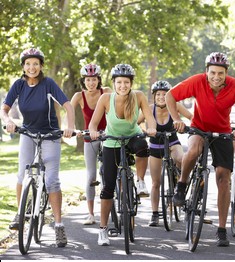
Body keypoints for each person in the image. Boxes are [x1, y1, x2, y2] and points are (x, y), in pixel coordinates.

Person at [165, 52, 235, 247]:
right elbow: (170, 95)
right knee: (194, 149)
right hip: (199, 127)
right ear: (206, 71)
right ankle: (181, 185)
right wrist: (177, 119)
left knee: (223, 178)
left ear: (226, 73)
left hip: (222, 132)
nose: (216, 77)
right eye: (212, 72)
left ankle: (221, 229)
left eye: (220, 73)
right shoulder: (197, 81)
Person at [0, 47, 75, 247]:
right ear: (23, 67)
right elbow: (5, 108)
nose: (31, 67)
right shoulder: (19, 85)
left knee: (51, 180)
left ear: (41, 66)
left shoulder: (48, 84)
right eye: (28, 64)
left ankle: (58, 225)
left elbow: (67, 104)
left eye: (35, 63)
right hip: (28, 133)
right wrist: (8, 120)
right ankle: (19, 214)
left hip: (50, 134)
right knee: (21, 174)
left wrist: (70, 126)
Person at [88, 63, 156, 246]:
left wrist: (151, 128)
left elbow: (150, 117)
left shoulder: (139, 96)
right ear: (114, 83)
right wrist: (94, 132)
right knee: (108, 187)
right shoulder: (105, 99)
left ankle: (140, 182)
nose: (122, 86)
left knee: (143, 146)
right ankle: (103, 230)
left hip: (132, 137)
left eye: (126, 82)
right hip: (112, 141)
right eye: (119, 82)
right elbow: (93, 124)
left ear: (131, 83)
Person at [138, 80, 193, 226]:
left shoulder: (175, 106)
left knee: (181, 159)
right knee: (156, 183)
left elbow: (192, 118)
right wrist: (145, 130)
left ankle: (181, 183)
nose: (161, 97)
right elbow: (136, 122)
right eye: (158, 94)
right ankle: (155, 214)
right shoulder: (149, 109)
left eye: (164, 94)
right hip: (155, 146)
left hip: (173, 143)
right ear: (154, 96)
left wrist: (188, 127)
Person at [70, 63, 112, 225]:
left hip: (108, 136)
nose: (91, 83)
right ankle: (91, 214)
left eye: (94, 79)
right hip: (89, 137)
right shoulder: (79, 96)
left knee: (111, 173)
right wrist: (73, 129)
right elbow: (69, 111)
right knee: (91, 176)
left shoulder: (106, 92)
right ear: (84, 81)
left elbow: (116, 108)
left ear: (98, 80)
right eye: (88, 80)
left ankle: (117, 206)